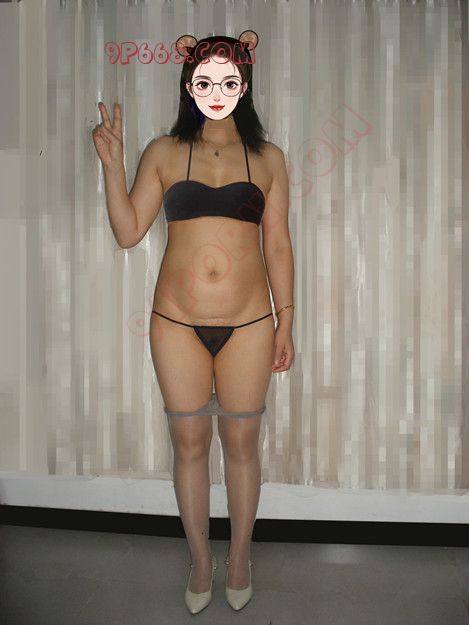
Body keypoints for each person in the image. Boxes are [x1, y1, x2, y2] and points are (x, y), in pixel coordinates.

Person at [92, 30, 295, 614]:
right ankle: (202, 561)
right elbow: (128, 232)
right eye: (204, 81)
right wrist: (112, 166)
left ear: (245, 85)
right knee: (189, 442)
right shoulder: (162, 151)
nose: (216, 91)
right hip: (176, 323)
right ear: (188, 83)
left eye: (229, 81)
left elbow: (278, 245)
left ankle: (240, 558)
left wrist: (286, 322)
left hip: (250, 323)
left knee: (242, 441)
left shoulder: (268, 158)